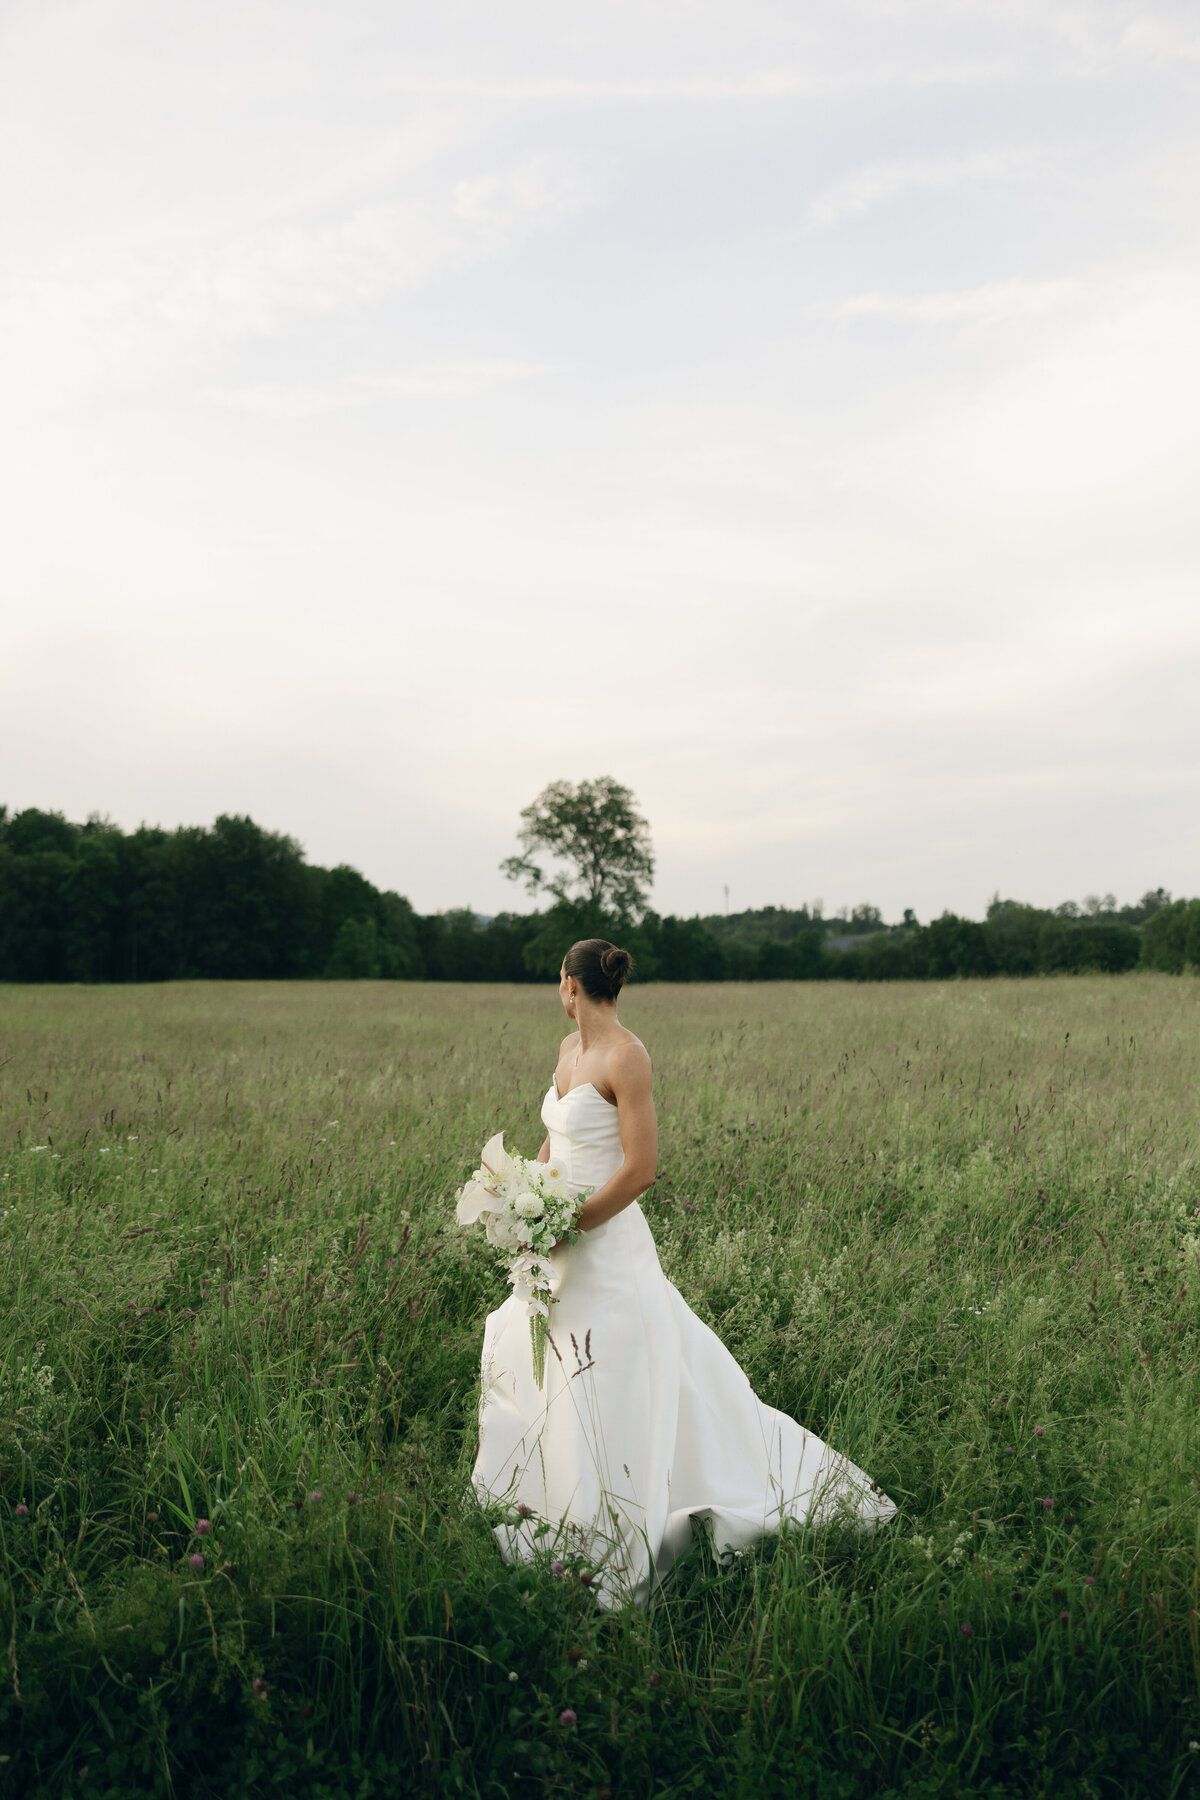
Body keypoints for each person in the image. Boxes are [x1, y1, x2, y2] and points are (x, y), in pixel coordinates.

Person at [471, 937, 896, 1608]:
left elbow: (640, 1168)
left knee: (614, 1368)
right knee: (554, 1360)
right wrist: (522, 1194)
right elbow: (558, 1139)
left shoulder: (627, 1056)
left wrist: (571, 1222)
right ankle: (563, 1496)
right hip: (553, 1239)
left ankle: (633, 1504)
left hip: (604, 1243)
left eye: (560, 979)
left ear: (570, 987)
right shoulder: (566, 1053)